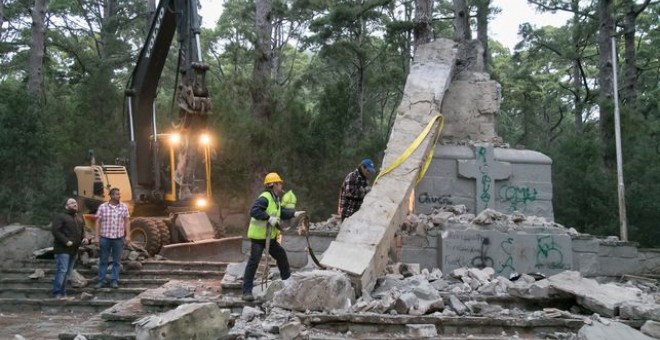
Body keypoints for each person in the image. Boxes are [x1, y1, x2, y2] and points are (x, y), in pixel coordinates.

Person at [242, 172, 305, 301]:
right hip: (259, 238)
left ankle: (287, 285)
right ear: (274, 184)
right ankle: (246, 292)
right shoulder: (265, 197)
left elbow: (280, 212)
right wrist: (268, 218)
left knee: (281, 256)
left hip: (269, 237)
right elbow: (254, 211)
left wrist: (294, 214)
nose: (282, 185)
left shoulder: (274, 198)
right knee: (254, 262)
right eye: (279, 183)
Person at [51, 198, 88, 300]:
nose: (75, 204)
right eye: (71, 203)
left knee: (67, 272)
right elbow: (55, 231)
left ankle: (63, 294)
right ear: (66, 206)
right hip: (62, 249)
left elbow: (82, 231)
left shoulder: (79, 218)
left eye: (75, 203)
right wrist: (66, 241)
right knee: (62, 270)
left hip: (74, 250)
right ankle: (57, 293)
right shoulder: (61, 217)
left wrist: (84, 238)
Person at [94, 187, 130, 289]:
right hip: (105, 237)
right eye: (117, 194)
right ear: (111, 195)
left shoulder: (123, 207)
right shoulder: (102, 207)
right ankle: (101, 280)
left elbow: (127, 221)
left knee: (117, 261)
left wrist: (128, 235)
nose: (119, 196)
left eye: (119, 194)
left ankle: (114, 280)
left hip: (118, 238)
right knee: (103, 260)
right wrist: (96, 237)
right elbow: (97, 222)